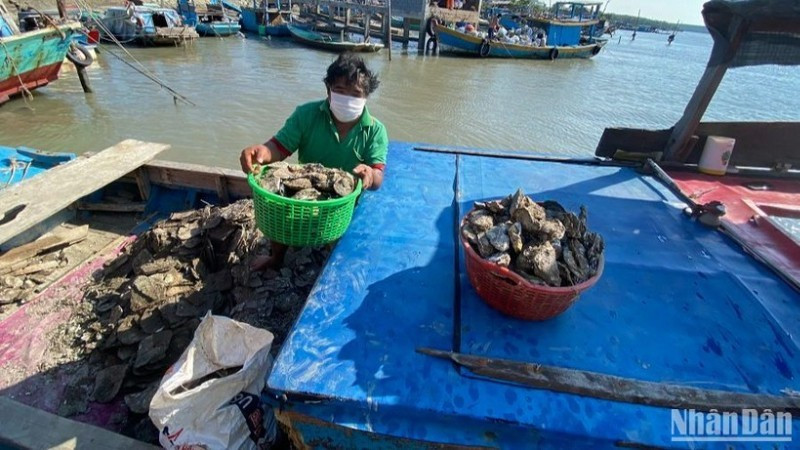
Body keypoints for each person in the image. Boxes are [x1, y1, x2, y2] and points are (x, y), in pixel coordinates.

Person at [239, 53, 388, 269]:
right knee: (277, 206)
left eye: (355, 94)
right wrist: (260, 153)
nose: (347, 99)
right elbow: (279, 148)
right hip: (303, 193)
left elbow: (378, 176)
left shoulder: (375, 130)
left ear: (366, 96)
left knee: (339, 254)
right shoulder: (306, 115)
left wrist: (370, 175)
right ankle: (276, 258)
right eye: (339, 91)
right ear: (328, 89)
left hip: (344, 203)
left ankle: (331, 262)